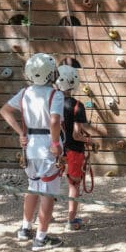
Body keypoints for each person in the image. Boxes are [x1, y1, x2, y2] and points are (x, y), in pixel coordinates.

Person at [0, 53, 65, 252]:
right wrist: (55, 143)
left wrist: (21, 132)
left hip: (30, 145)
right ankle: (41, 238)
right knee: (47, 193)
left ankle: (25, 228)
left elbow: (4, 110)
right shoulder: (56, 94)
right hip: (47, 146)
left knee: (33, 187)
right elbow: (54, 121)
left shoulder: (25, 92)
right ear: (49, 74)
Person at [55, 61, 91, 231]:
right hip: (74, 150)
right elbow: (77, 134)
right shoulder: (78, 106)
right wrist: (90, 140)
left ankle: (46, 216)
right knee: (73, 185)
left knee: (49, 182)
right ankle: (71, 220)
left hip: (56, 148)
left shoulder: (51, 102)